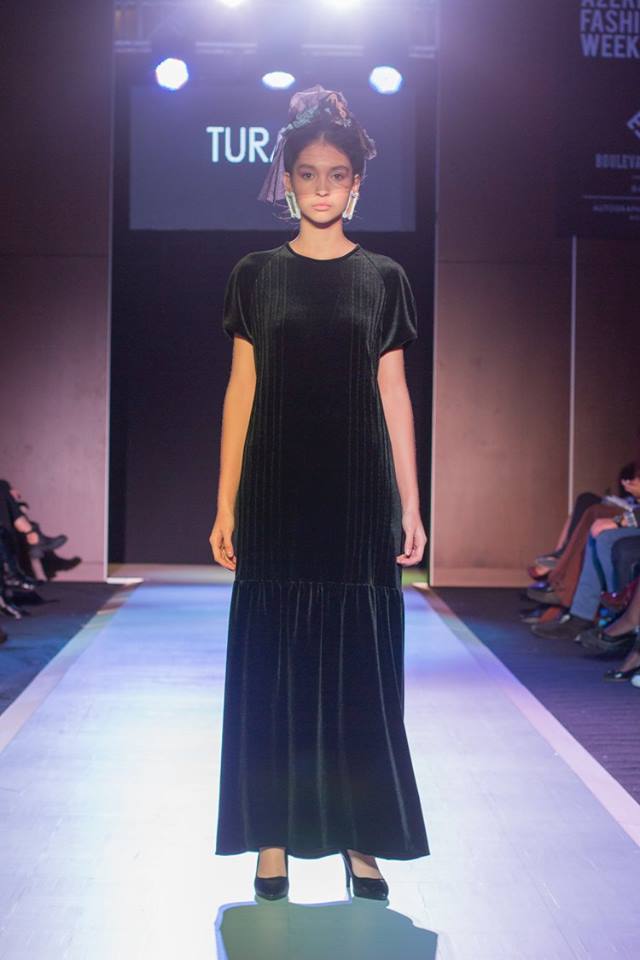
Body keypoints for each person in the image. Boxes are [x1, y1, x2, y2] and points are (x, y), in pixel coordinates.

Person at [209, 85, 430, 902]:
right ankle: (270, 838)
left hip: (357, 496)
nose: (323, 188)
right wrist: (225, 502)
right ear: (288, 180)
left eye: (337, 175)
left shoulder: (384, 279)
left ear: (357, 184)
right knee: (271, 665)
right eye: (308, 174)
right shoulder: (255, 276)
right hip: (275, 491)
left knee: (360, 670)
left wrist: (411, 502)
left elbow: (394, 393)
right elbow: (241, 390)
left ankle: (360, 839)